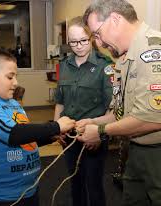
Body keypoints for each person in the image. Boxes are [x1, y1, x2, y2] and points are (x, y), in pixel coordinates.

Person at [76, 0, 161, 205]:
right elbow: (123, 112)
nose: (99, 43)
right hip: (139, 151)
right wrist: (94, 122)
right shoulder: (124, 58)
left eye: (97, 33)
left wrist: (101, 131)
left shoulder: (156, 52)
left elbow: (151, 119)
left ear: (115, 19)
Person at [0, 49, 75, 206]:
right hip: (4, 197)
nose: (16, 82)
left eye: (16, 76)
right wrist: (55, 126)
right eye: (10, 77)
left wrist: (50, 137)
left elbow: (26, 138)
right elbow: (13, 134)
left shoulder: (13, 104)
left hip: (29, 189)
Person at [54, 16, 113, 206]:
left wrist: (97, 129)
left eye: (83, 40)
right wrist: (56, 128)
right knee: (75, 183)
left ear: (92, 38)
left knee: (94, 184)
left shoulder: (105, 66)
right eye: (73, 42)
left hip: (93, 135)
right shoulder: (64, 65)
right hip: (69, 135)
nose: (78, 46)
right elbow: (60, 101)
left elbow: (113, 109)